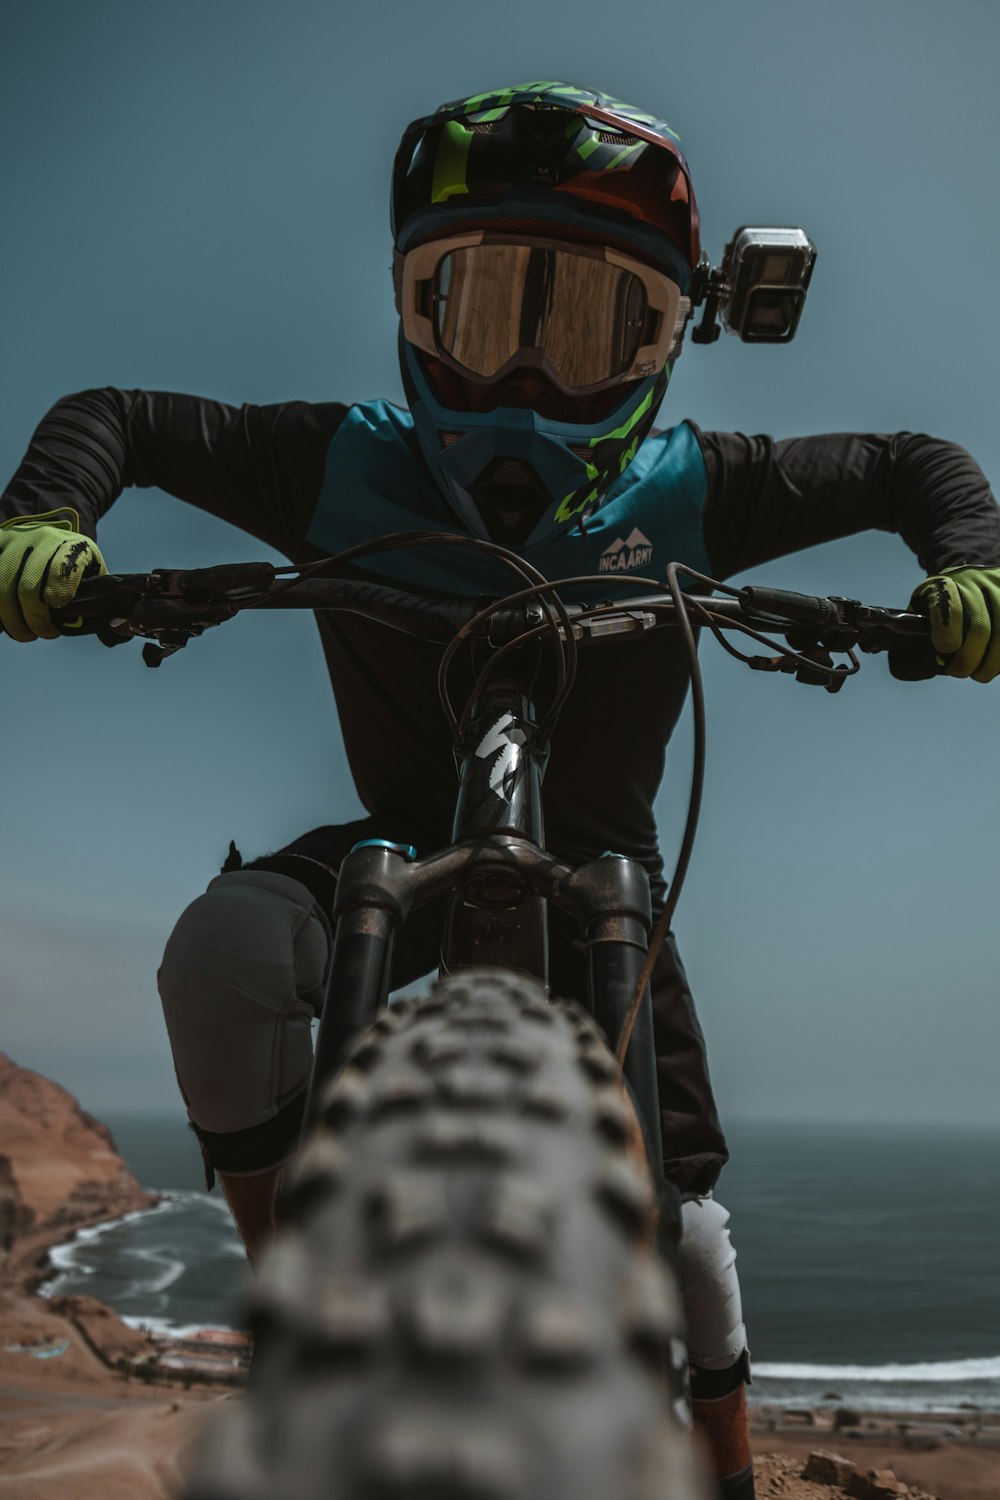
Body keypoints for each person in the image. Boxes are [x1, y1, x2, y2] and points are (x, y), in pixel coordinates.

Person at [2, 81, 999, 1500]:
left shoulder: (690, 485)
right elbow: (118, 418)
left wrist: (972, 563)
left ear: (668, 341)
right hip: (397, 849)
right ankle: (299, 1308)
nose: (527, 383)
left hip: (610, 884)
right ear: (411, 316)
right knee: (219, 962)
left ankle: (717, 1469)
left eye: (590, 328)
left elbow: (917, 466)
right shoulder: (345, 458)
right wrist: (46, 513)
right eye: (480, 317)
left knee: (692, 1244)